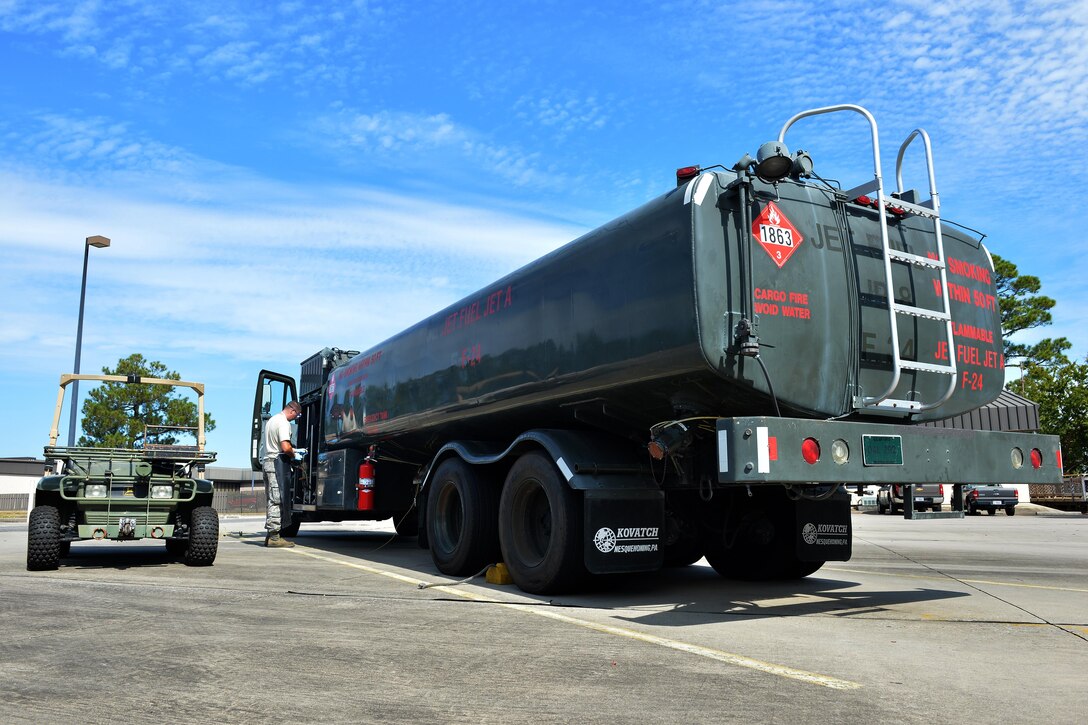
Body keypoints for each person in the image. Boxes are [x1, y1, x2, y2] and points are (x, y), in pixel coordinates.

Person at [262, 400, 302, 548]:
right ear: (292, 411)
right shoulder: (283, 422)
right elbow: (285, 447)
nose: (295, 418)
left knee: (271, 498)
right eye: (297, 416)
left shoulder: (272, 420)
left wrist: (294, 451)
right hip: (276, 464)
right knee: (277, 499)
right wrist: (294, 455)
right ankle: (274, 537)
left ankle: (270, 535)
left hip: (268, 462)